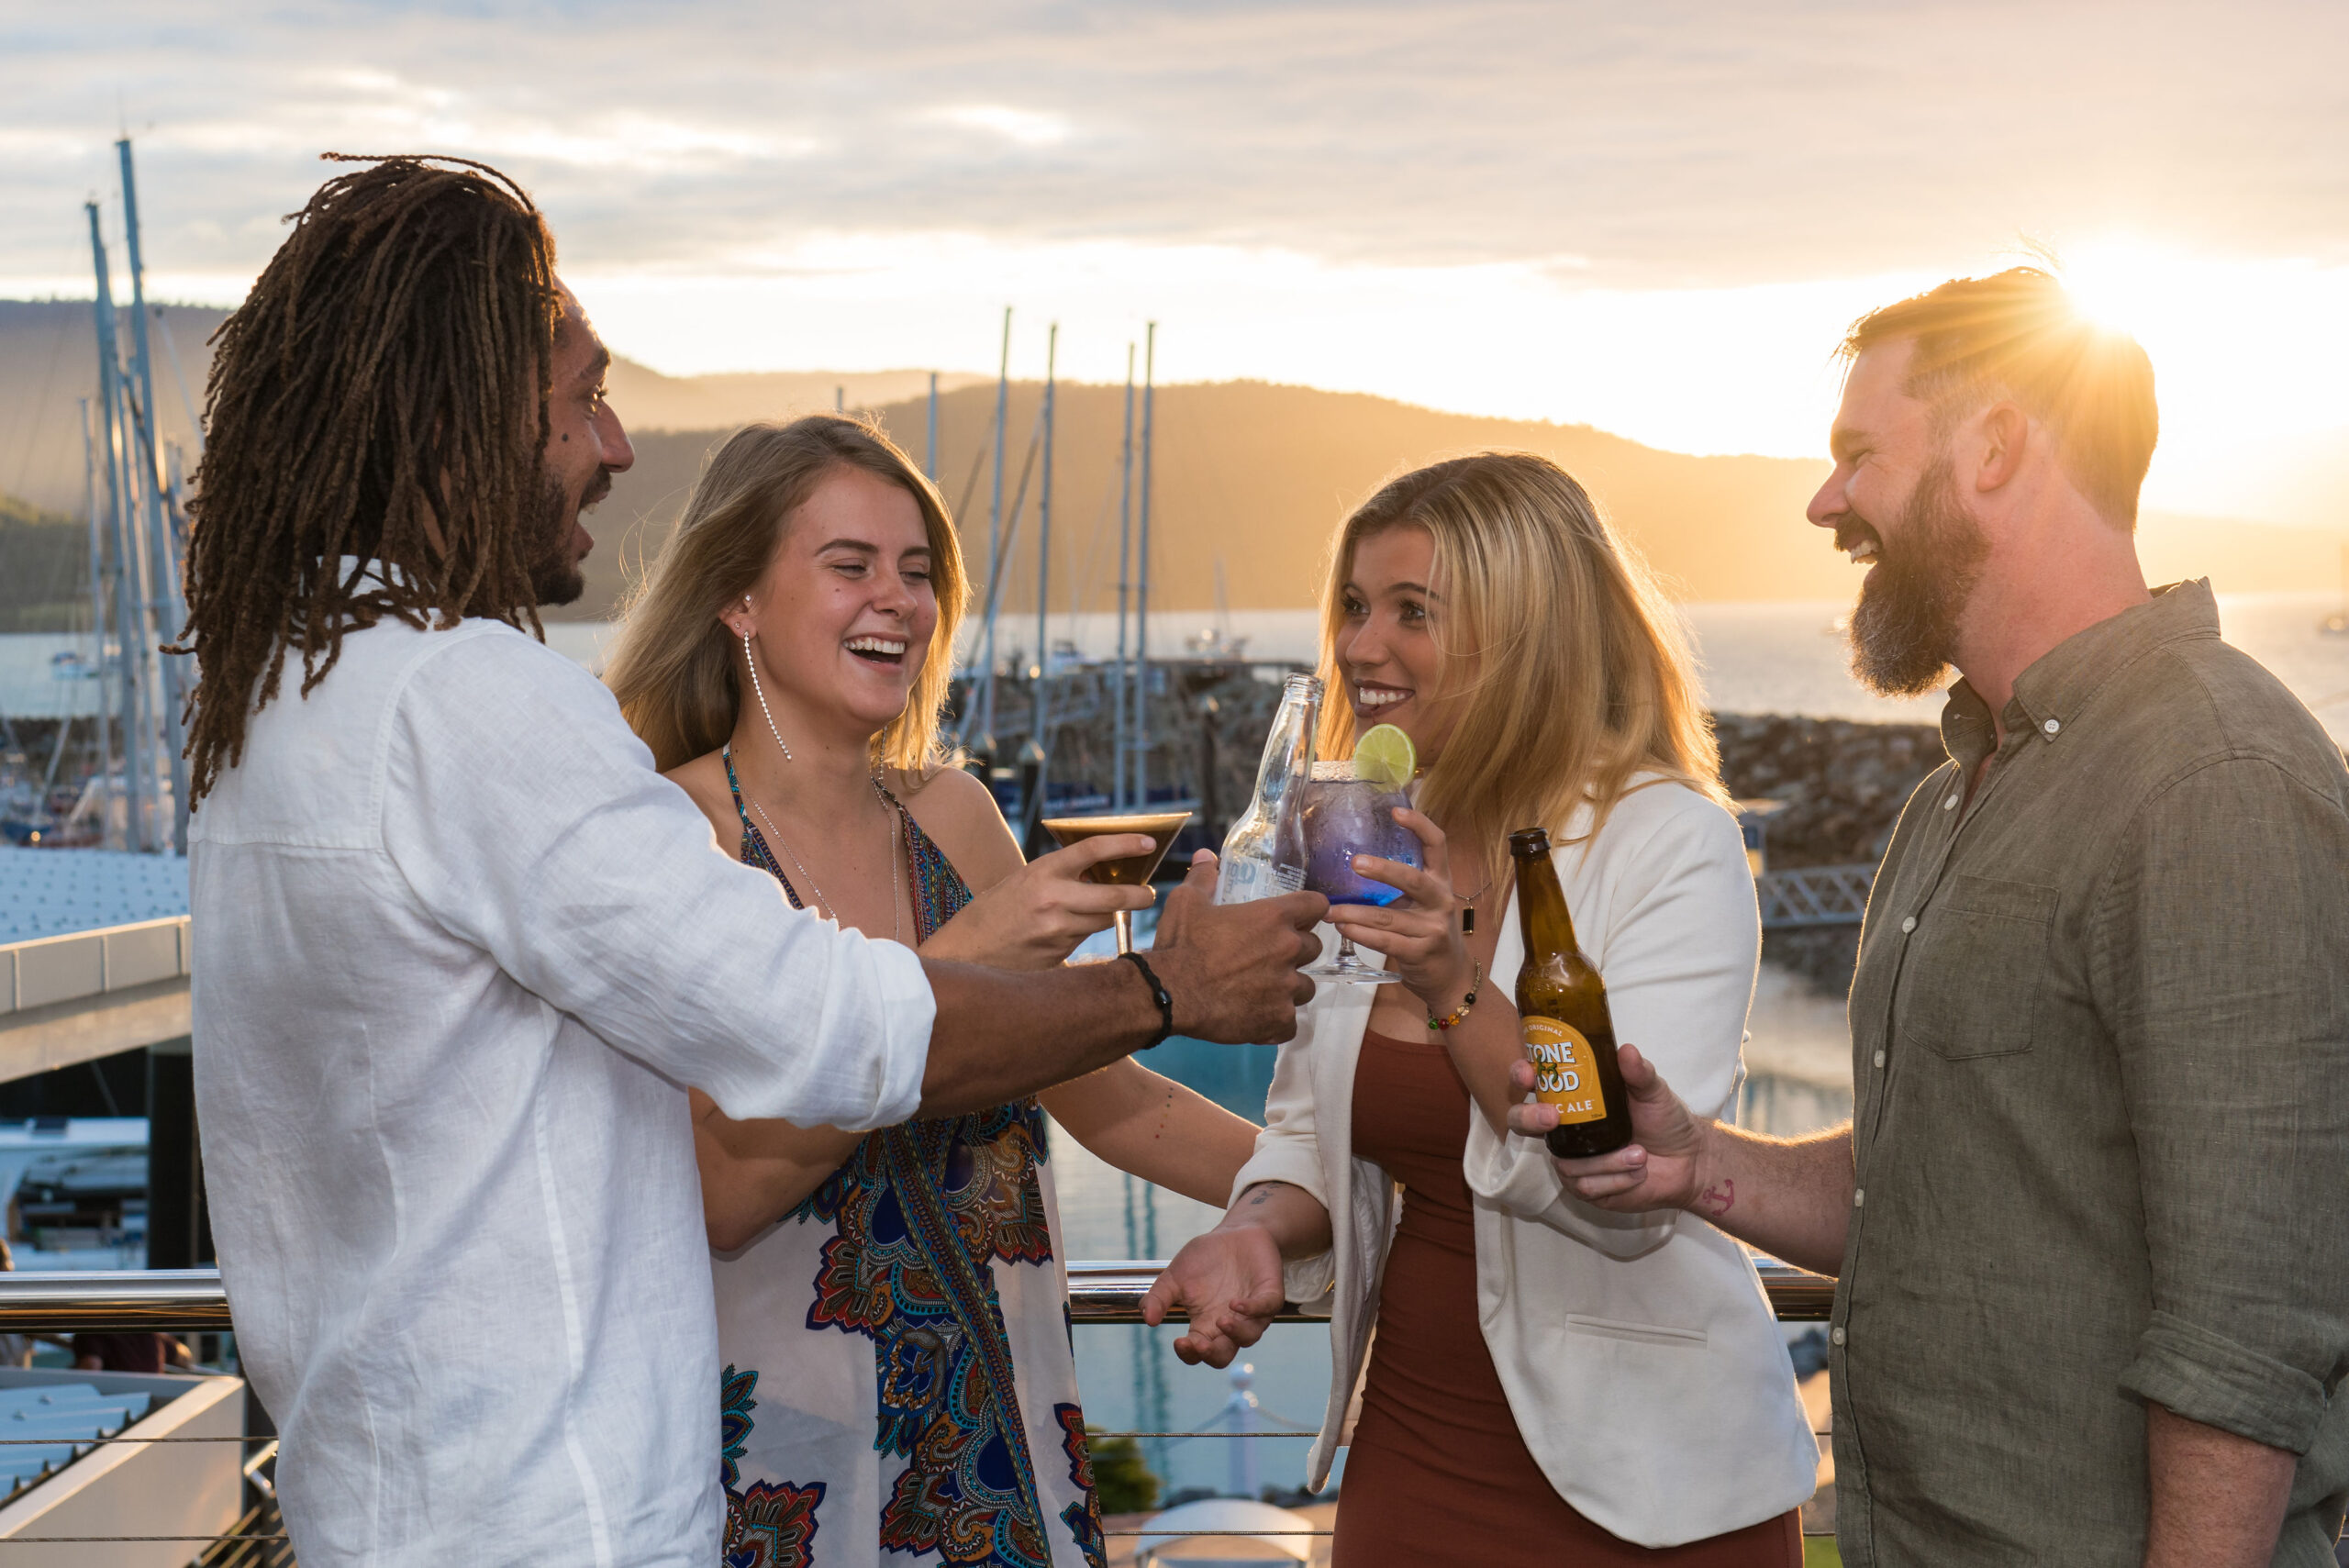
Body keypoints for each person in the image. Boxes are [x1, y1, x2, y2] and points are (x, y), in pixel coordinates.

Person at [173, 155, 1326, 1568]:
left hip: (390, 1508)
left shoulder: (279, 705)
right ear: (458, 411)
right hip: (563, 1526)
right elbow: (820, 1034)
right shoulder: (467, 702)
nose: (612, 446)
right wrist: (1164, 987)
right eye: (582, 397)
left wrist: (1314, 1200)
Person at [1514, 269, 2349, 1567]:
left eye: (1859, 455)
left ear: (1998, 445)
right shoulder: (1955, 798)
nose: (1825, 501)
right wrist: (1704, 1165)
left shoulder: (2212, 780)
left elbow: (2249, 1320)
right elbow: (1948, 1177)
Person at [604, 415, 1270, 1567]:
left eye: (918, 573)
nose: (898, 601)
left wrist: (1344, 1190)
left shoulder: (954, 818)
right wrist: (980, 950)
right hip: (777, 1469)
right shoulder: (674, 832)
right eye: (850, 565)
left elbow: (1112, 1099)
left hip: (1002, 1445)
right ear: (739, 599)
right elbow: (720, 1182)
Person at [1141, 453, 1819, 1564]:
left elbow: (1628, 1180)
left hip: (1654, 1485)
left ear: (1528, 633)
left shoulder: (1670, 842)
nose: (1362, 645)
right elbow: (1310, 1128)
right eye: (1355, 607)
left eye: (1414, 611)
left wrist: (1452, 988)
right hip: (1416, 1442)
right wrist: (1255, 1225)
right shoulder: (1367, 835)